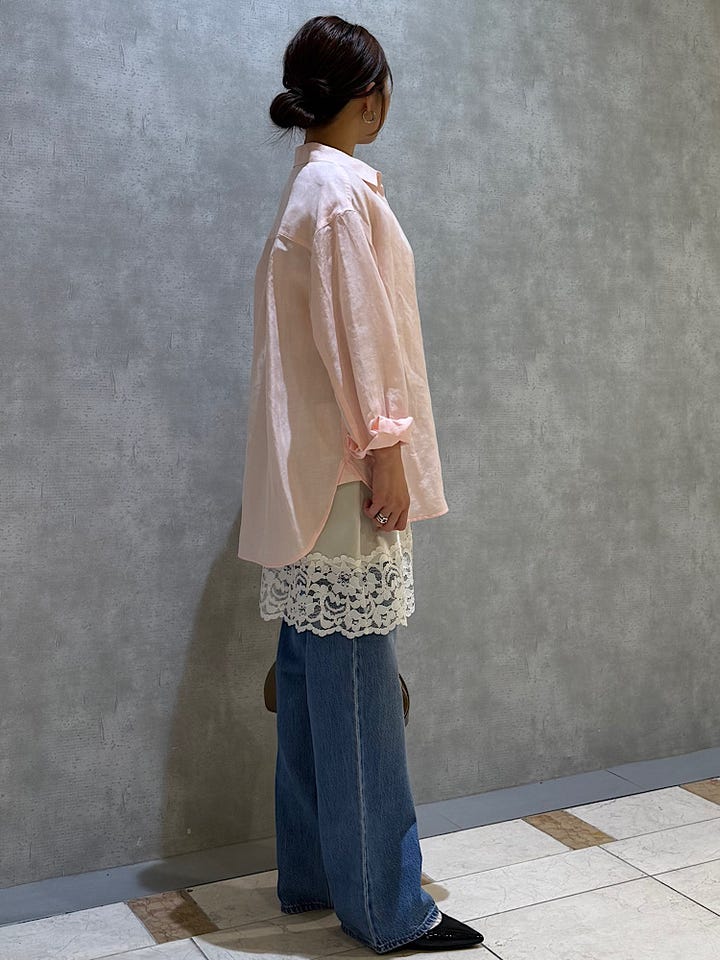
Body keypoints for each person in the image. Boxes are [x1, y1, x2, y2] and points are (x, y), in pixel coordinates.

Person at [237, 14, 485, 955]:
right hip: (346, 471)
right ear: (369, 96)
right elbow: (360, 336)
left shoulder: (311, 183)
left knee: (312, 682)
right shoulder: (339, 190)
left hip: (308, 472)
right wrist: (387, 450)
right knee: (356, 693)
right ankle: (387, 906)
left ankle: (313, 877)